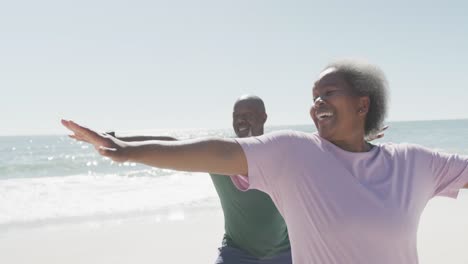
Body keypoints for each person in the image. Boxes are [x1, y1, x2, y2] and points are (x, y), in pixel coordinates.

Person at [61, 59, 468, 264]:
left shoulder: (414, 162)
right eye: (314, 96)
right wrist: (128, 149)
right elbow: (213, 151)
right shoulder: (293, 152)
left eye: (329, 92)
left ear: (363, 104)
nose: (318, 102)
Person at [87, 95, 293, 264]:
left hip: (283, 253)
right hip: (236, 252)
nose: (241, 120)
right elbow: (170, 144)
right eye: (237, 115)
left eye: (248, 115)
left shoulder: (280, 153)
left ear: (264, 117)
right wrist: (117, 141)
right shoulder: (218, 157)